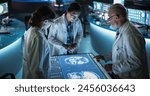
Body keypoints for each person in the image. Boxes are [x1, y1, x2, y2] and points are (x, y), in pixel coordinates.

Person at [94, 4, 149, 79]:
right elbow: (119, 51)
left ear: (116, 18)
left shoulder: (131, 34)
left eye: (110, 18)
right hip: (123, 74)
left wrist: (113, 68)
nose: (109, 21)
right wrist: (104, 57)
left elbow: (135, 62)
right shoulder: (122, 29)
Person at [22, 6, 55, 79]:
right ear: (45, 21)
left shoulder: (31, 30)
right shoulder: (38, 38)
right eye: (51, 22)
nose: (51, 25)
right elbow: (36, 69)